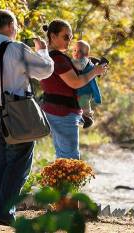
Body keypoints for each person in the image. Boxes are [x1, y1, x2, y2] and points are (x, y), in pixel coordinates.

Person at [0, 10, 54, 226]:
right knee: (18, 163)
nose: (17, 30)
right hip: (14, 112)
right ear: (10, 25)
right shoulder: (16, 49)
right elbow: (45, 70)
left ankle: (0, 211)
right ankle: (3, 213)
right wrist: (44, 52)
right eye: (16, 25)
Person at [40, 19, 107, 159]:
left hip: (54, 110)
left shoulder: (46, 56)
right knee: (70, 158)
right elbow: (75, 83)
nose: (69, 41)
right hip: (63, 113)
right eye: (65, 37)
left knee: (63, 157)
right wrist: (94, 72)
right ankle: (67, 181)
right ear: (53, 36)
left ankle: (61, 181)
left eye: (70, 37)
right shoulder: (58, 59)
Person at [71, 40, 102, 129]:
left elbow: (78, 66)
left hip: (85, 90)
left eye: (80, 51)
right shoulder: (79, 61)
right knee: (81, 103)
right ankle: (84, 117)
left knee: (83, 102)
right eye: (74, 50)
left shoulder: (82, 62)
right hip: (80, 89)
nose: (76, 53)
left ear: (86, 55)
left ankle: (87, 117)